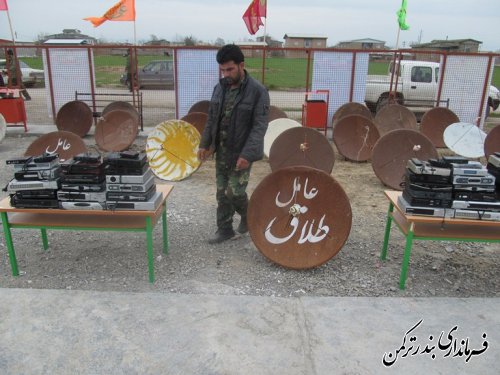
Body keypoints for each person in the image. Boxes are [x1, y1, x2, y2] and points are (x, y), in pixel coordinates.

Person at [197, 44, 270, 244]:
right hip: (222, 151)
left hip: (242, 152)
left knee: (234, 191)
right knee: (222, 193)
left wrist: (247, 154)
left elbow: (259, 126)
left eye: (230, 69)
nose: (226, 74)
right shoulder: (219, 89)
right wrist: (204, 144)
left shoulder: (257, 91)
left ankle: (249, 216)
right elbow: (211, 119)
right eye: (222, 70)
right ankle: (225, 229)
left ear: (241, 65)